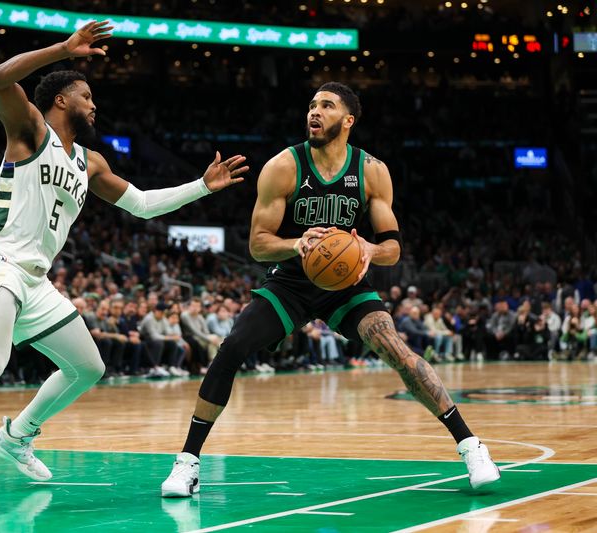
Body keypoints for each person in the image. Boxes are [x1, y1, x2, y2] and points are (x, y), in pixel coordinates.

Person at [0, 21, 246, 510]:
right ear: (60, 100)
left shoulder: (90, 162)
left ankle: (16, 435)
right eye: (86, 94)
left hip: (34, 279)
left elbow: (140, 203)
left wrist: (201, 187)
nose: (94, 104)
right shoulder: (31, 129)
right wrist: (62, 49)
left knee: (87, 365)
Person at [161, 82, 499, 498]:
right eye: (311, 105)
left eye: (326, 106)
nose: (314, 113)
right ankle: (188, 463)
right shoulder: (283, 166)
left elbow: (392, 249)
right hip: (291, 281)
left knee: (397, 349)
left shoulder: (372, 170)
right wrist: (296, 243)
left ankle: (471, 446)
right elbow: (257, 243)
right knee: (232, 346)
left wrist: (367, 248)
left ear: (349, 120)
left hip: (347, 283)